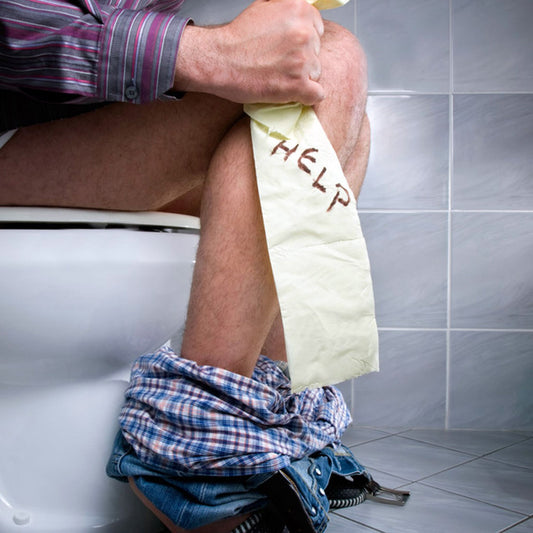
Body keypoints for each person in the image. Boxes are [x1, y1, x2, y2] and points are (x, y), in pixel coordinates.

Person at [0, 0, 371, 531]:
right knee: (330, 63)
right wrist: (205, 53)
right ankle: (194, 464)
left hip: (75, 135)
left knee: (338, 101)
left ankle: (265, 426)